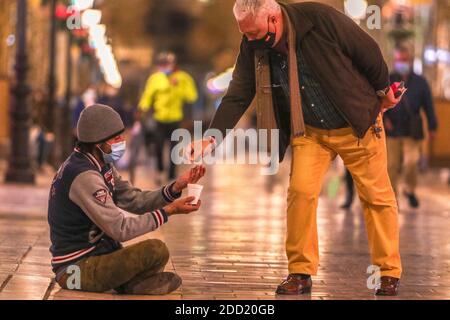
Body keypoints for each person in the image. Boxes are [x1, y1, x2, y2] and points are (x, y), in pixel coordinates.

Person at [191, 0, 406, 296]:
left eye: (255, 33)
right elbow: (239, 92)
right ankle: (300, 272)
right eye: (246, 35)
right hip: (310, 131)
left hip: (357, 125)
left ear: (274, 17)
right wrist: (211, 137)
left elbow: (367, 52)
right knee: (301, 193)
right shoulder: (254, 42)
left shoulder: (319, 18)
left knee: (376, 197)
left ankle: (388, 273)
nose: (252, 41)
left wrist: (383, 93)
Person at [48, 104, 206, 295]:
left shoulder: (100, 164)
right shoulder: (85, 175)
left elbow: (135, 200)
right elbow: (120, 229)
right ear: (98, 142)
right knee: (155, 251)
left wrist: (175, 187)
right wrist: (169, 211)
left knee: (155, 255)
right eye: (115, 138)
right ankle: (130, 285)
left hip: (100, 254)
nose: (122, 141)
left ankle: (131, 284)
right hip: (74, 269)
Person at [384, 44, 438, 209]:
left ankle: (410, 189)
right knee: (392, 166)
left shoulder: (420, 82)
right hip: (392, 130)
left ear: (411, 60)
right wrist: (384, 118)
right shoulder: (388, 78)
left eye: (405, 60)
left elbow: (428, 105)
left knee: (411, 163)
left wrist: (432, 126)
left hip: (412, 131)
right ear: (395, 60)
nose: (402, 63)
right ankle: (394, 200)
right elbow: (379, 101)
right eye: (399, 60)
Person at [138, 51, 198, 183]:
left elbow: (192, 96)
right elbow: (148, 96)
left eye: (167, 64)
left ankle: (171, 175)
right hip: (159, 119)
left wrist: (178, 87)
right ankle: (159, 170)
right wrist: (142, 108)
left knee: (174, 148)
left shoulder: (183, 78)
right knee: (158, 146)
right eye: (162, 64)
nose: (164, 67)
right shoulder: (155, 78)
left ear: (173, 64)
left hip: (175, 119)